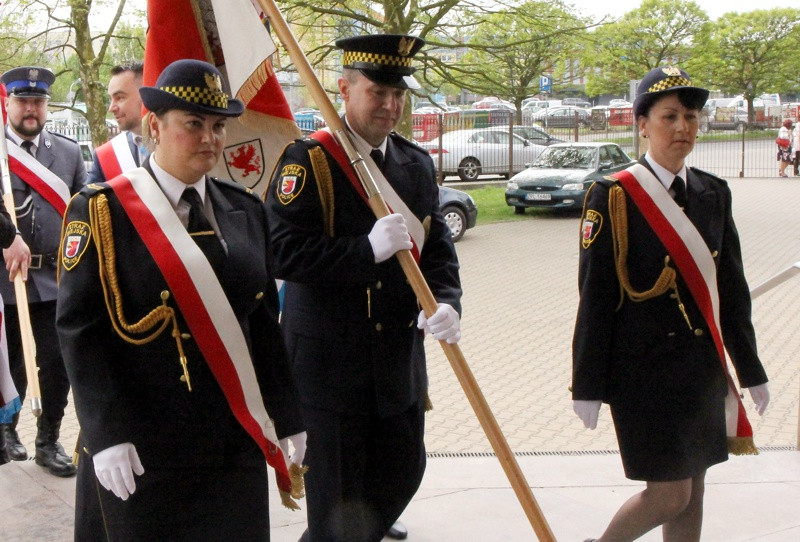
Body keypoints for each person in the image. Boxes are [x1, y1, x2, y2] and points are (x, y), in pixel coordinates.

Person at [56, 59, 306, 539]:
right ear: (154, 125)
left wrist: (288, 414)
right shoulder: (102, 212)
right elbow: (78, 331)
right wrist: (106, 433)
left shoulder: (245, 211)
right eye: (194, 124)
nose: (210, 137)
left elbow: (260, 324)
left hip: (231, 442)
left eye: (217, 125)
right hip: (143, 448)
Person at [265, 34, 462, 542]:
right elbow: (279, 252)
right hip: (330, 370)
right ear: (344, 89)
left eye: (399, 95)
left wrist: (447, 301)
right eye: (378, 92)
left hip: (397, 363)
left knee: (402, 473)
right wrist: (363, 251)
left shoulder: (415, 163)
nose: (391, 105)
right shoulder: (308, 161)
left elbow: (437, 246)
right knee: (336, 508)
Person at [572, 66, 770, 542]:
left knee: (693, 492)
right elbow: (595, 297)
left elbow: (732, 292)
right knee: (668, 495)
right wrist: (587, 383)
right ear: (642, 123)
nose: (683, 127)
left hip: (700, 373)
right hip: (644, 376)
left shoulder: (712, 192)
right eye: (669, 116)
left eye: (691, 116)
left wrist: (751, 368)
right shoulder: (613, 196)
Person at [0, 66, 86, 477]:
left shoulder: (68, 153)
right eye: (23, 101)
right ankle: (6, 431)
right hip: (6, 281)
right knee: (11, 362)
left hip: (55, 280)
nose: (31, 109)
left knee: (57, 363)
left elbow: (84, 213)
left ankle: (48, 440)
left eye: (38, 102)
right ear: (9, 103)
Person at [88, 61, 147, 183]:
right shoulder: (107, 156)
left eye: (119, 97)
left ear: (146, 96)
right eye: (111, 99)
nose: (111, 108)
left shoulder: (180, 145)